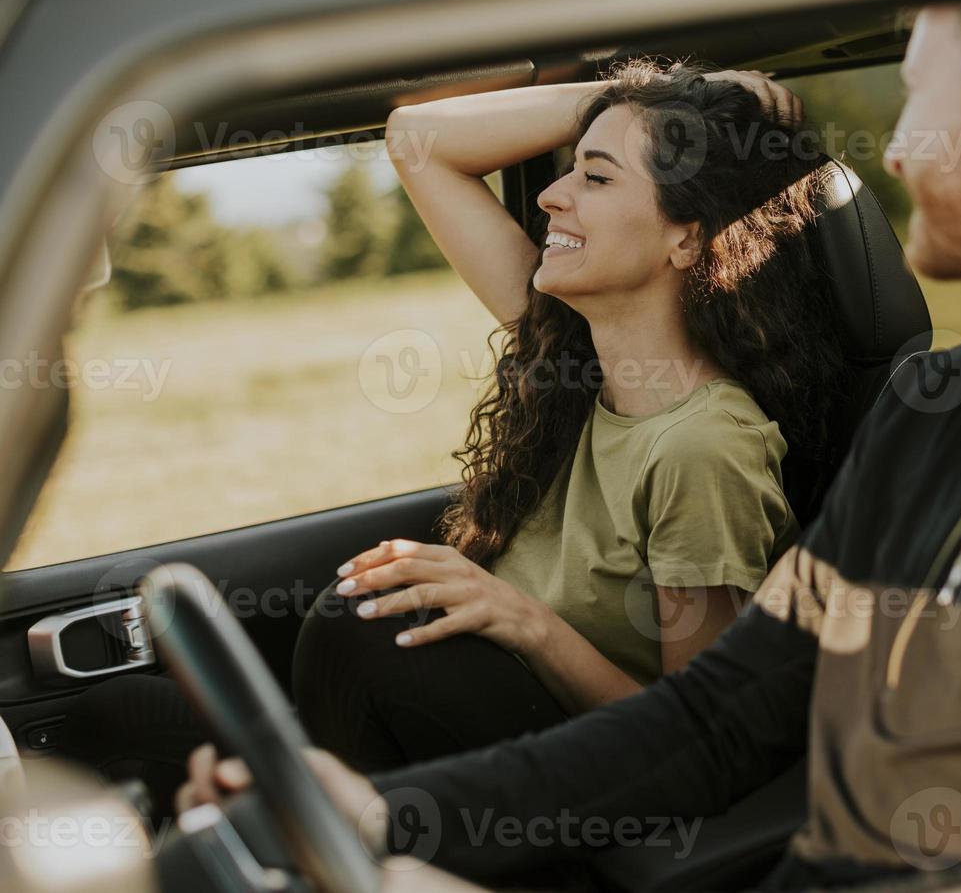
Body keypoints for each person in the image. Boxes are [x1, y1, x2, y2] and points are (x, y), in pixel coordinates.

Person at [177, 0, 961, 889]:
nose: (893, 150)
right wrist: (390, 816)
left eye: (918, 89)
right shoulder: (935, 409)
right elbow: (721, 713)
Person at [58, 61, 848, 809]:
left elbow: (695, 741)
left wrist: (523, 620)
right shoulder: (569, 356)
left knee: (364, 636)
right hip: (457, 741)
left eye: (596, 177)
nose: (552, 196)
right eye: (568, 168)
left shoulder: (702, 447)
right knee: (114, 718)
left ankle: (337, 843)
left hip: (566, 785)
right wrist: (654, 94)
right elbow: (417, 141)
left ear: (687, 236)